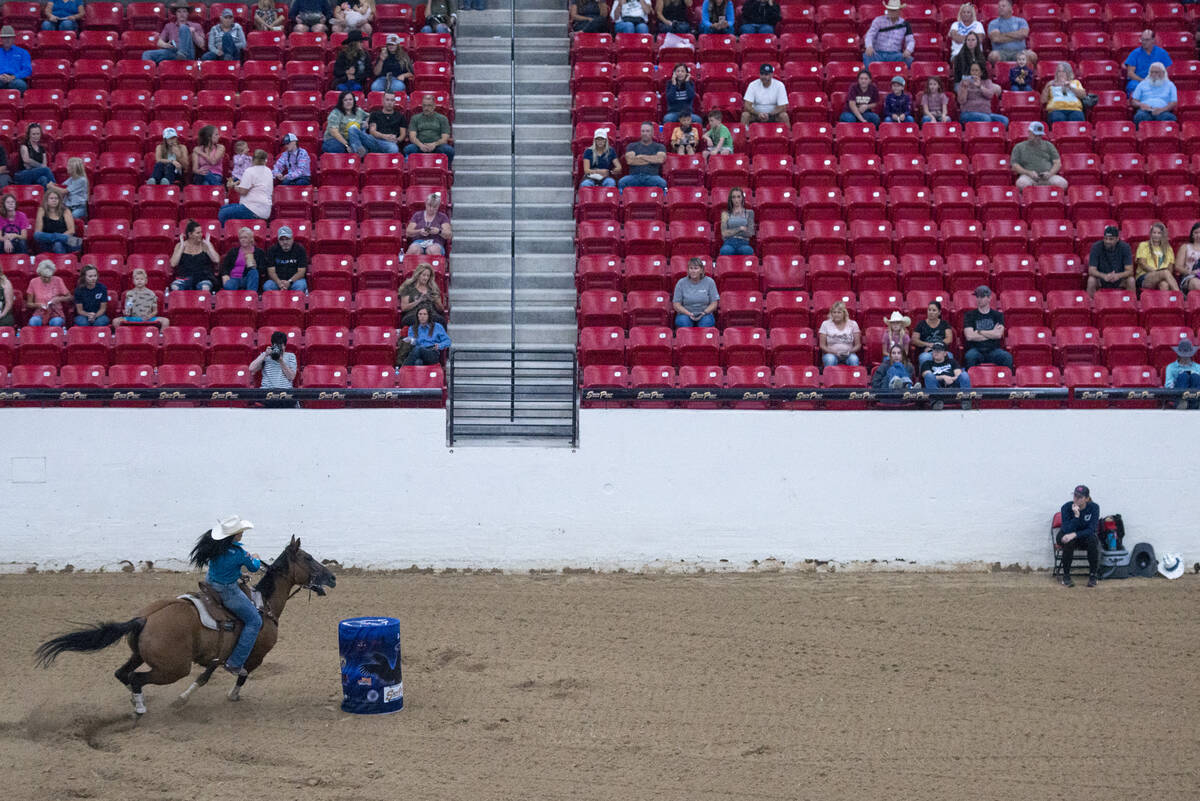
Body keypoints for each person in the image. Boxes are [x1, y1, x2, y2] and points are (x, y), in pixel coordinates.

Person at [188, 517, 263, 676]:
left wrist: (237, 573)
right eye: (240, 531)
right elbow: (254, 567)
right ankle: (235, 663)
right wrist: (256, 557)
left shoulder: (217, 547)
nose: (242, 533)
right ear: (235, 535)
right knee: (255, 621)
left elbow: (225, 567)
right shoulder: (239, 553)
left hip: (210, 584)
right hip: (227, 591)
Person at [1057, 485, 1100, 588]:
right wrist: (1076, 516)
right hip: (1065, 534)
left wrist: (1075, 534)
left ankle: (1093, 575)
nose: (1076, 499)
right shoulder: (1066, 507)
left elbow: (1091, 529)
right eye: (1075, 495)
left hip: (1082, 536)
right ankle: (1066, 576)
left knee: (1093, 540)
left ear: (1086, 498)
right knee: (1068, 541)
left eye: (1079, 497)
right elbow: (1066, 529)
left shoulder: (1094, 508)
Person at [963, 284, 1012, 368]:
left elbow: (998, 335)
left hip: (993, 350)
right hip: (976, 350)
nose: (979, 299)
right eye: (977, 296)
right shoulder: (969, 315)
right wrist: (991, 333)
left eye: (982, 297)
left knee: (1007, 357)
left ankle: (1004, 381)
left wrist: (979, 331)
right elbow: (969, 336)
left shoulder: (998, 315)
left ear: (989, 298)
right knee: (970, 356)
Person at [219, 150, 273, 223]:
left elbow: (243, 191)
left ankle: (229, 232)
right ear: (265, 160)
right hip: (264, 209)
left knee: (223, 213)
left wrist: (233, 186)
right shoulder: (268, 171)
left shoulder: (250, 171)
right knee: (223, 208)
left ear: (253, 159)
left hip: (253, 208)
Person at [1010, 121, 1065, 191]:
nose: (1038, 138)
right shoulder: (1019, 147)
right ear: (1029, 133)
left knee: (1062, 183)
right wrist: (1028, 172)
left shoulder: (1049, 145)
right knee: (1021, 183)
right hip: (1028, 176)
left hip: (1048, 176)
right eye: (1035, 135)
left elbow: (1057, 163)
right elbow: (1014, 165)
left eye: (1040, 135)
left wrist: (1050, 173)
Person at [169, 221, 219, 291]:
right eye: (198, 233)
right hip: (185, 277)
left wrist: (209, 246)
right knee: (175, 287)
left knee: (205, 287)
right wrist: (181, 249)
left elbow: (216, 260)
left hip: (203, 277)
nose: (201, 235)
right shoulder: (180, 245)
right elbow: (173, 264)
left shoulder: (205, 245)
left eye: (201, 232)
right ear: (190, 234)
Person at [1086, 225, 1134, 296]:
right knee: (1091, 280)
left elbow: (1130, 271)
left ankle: (1131, 304)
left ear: (1117, 239)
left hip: (1119, 279)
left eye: (1111, 239)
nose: (1107, 241)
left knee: (1131, 280)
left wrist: (1118, 276)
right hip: (1102, 279)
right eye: (1106, 238)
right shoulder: (1096, 247)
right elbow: (1091, 270)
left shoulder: (1125, 247)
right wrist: (1104, 276)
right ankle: (1091, 305)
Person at [863, 0, 914, 67]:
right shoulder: (878, 20)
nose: (892, 12)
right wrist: (869, 46)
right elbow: (870, 35)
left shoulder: (905, 24)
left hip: (895, 55)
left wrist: (908, 50)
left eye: (894, 10)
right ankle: (870, 76)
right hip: (878, 53)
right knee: (868, 56)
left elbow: (910, 40)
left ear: (899, 11)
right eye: (890, 10)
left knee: (908, 60)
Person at [618, 122, 667, 191]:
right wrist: (651, 159)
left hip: (652, 176)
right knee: (622, 182)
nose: (645, 133)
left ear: (652, 133)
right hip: (634, 176)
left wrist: (641, 156)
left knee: (662, 183)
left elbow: (660, 160)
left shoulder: (659, 147)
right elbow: (630, 161)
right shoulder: (632, 146)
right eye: (643, 131)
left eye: (647, 131)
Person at [404, 94, 454, 161]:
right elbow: (412, 137)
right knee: (408, 149)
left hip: (437, 146)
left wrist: (434, 144)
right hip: (420, 146)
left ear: (434, 106)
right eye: (424, 105)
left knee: (449, 150)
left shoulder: (442, 118)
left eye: (429, 105)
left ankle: (447, 169)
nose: (426, 108)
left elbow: (445, 138)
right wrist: (421, 145)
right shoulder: (415, 118)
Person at [921, 341, 971, 408]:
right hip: (937, 387)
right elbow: (926, 375)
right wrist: (943, 377)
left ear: (945, 353)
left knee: (964, 374)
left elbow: (958, 375)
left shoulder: (952, 362)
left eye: (938, 351)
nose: (935, 352)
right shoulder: (927, 363)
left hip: (952, 386)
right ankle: (936, 402)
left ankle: (966, 401)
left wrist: (950, 379)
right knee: (929, 376)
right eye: (934, 350)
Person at [672, 257, 719, 328]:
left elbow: (714, 303)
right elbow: (676, 305)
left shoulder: (710, 282)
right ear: (688, 270)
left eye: (696, 268)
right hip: (685, 313)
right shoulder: (681, 282)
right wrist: (689, 314)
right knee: (683, 322)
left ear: (701, 270)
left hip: (705, 313)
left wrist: (704, 313)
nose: (693, 271)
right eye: (691, 268)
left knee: (706, 323)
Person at [1124, 29, 1172, 95]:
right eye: (1142, 40)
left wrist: (1156, 81)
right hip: (1139, 81)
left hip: (1157, 81)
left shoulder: (1162, 53)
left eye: (1147, 40)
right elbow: (1130, 73)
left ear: (1153, 40)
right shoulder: (1135, 53)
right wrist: (1143, 81)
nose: (1144, 42)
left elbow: (1167, 71)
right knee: (1133, 86)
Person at [1135, 221, 1180, 291]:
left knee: (1164, 285)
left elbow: (1170, 268)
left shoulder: (1168, 249)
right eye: (1154, 233)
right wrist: (1158, 273)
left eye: (1159, 233)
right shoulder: (1143, 245)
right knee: (1165, 272)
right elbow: (1142, 263)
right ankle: (1179, 295)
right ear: (1151, 234)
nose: (1156, 235)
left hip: (1163, 276)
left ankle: (1164, 302)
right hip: (1144, 276)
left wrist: (1161, 275)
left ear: (1163, 235)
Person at [25, 259, 70, 327]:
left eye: (49, 277)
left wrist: (59, 299)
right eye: (44, 277)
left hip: (56, 313)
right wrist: (38, 305)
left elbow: (70, 297)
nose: (47, 279)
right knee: (33, 322)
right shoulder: (33, 282)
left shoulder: (58, 280)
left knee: (56, 322)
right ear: (39, 274)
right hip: (40, 313)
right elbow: (29, 304)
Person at [323, 90, 371, 155]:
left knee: (367, 148)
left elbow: (370, 116)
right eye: (345, 100)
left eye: (350, 99)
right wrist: (346, 145)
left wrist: (367, 121)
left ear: (354, 101)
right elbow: (334, 132)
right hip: (335, 140)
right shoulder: (335, 113)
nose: (348, 102)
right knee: (338, 148)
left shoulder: (358, 111)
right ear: (341, 102)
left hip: (353, 139)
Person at [33, 188, 79, 254]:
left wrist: (57, 239)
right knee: (37, 235)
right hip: (49, 243)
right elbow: (38, 232)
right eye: (51, 198)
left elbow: (71, 231)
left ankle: (60, 262)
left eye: (56, 198)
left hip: (68, 242)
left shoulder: (65, 210)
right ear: (46, 200)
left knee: (58, 244)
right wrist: (58, 238)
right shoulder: (42, 210)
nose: (54, 200)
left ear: (59, 200)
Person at [399, 262, 446, 327]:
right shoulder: (408, 287)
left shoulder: (433, 288)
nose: (426, 278)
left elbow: (441, 309)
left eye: (428, 276)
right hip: (413, 314)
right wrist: (418, 301)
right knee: (415, 320)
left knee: (441, 321)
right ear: (418, 275)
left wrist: (434, 300)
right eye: (424, 275)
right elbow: (404, 308)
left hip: (431, 314)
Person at [405, 191, 451, 256]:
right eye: (429, 205)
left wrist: (438, 231)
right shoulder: (417, 215)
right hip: (419, 242)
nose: (431, 209)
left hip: (436, 243)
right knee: (414, 249)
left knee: (433, 249)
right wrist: (419, 231)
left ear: (438, 206)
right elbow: (408, 232)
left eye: (434, 207)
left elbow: (448, 234)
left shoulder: (442, 217)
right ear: (425, 203)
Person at [263, 226, 309, 291]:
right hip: (277, 281)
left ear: (292, 239)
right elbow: (271, 272)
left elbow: (301, 272)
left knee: (300, 285)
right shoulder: (272, 250)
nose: (285, 242)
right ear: (278, 240)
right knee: (267, 286)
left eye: (287, 239)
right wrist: (279, 283)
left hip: (294, 281)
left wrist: (289, 282)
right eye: (282, 239)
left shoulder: (300, 249)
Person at [220, 227, 265, 292]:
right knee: (228, 285)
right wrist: (225, 275)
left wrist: (256, 267)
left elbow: (263, 270)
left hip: (248, 278)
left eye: (245, 237)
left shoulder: (259, 252)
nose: (243, 240)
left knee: (254, 272)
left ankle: (251, 295)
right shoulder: (233, 251)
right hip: (234, 278)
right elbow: (224, 266)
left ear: (251, 239)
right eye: (241, 238)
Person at [818, 301, 862, 368]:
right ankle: (830, 378)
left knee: (854, 359)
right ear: (831, 314)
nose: (836, 314)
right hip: (830, 353)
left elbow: (858, 345)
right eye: (834, 312)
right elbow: (822, 345)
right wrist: (834, 352)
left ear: (844, 313)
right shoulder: (825, 324)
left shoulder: (853, 324)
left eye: (839, 312)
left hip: (849, 354)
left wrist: (849, 351)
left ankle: (853, 378)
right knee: (830, 359)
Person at [986, 0, 1029, 64]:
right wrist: (1016, 36)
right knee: (993, 56)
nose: (1000, 8)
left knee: (1032, 56)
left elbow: (1023, 34)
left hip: (1019, 52)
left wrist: (1002, 35)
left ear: (1011, 8)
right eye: (999, 6)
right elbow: (996, 38)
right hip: (1000, 52)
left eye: (1003, 6)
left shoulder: (1021, 21)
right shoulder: (993, 23)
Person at [912, 300, 953, 367]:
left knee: (950, 356)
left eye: (934, 310)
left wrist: (935, 346)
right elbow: (914, 340)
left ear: (939, 312)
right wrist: (927, 344)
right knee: (925, 358)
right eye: (929, 310)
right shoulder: (921, 324)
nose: (931, 312)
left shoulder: (944, 324)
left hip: (941, 350)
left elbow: (949, 339)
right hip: (926, 351)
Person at [15, 123, 55, 187]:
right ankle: (56, 190)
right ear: (29, 135)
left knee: (43, 179)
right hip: (24, 173)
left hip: (36, 174)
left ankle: (45, 196)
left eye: (38, 134)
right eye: (33, 134)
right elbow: (26, 160)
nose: (36, 136)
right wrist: (39, 166)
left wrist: (34, 164)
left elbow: (44, 165)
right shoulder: (24, 145)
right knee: (46, 170)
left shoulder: (42, 148)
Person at [718, 187, 755, 256]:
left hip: (743, 242)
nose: (736, 200)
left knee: (748, 250)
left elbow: (750, 233)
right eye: (733, 197)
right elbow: (724, 233)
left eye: (738, 197)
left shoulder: (749, 213)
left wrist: (731, 232)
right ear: (731, 199)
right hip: (729, 242)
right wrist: (740, 229)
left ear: (742, 198)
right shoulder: (725, 214)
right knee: (725, 251)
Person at [1165, 339, 1200, 409]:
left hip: (1195, 392)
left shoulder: (1198, 367)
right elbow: (1169, 384)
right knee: (1183, 376)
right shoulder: (1171, 367)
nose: (1185, 357)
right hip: (1177, 394)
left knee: (1195, 377)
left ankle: (1196, 402)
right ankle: (1182, 401)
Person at [0, 26, 31, 94]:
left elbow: (27, 70)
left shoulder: (23, 52)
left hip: (16, 79)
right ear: (1, 39)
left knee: (21, 85)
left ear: (14, 39)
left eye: (9, 37)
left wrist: (13, 77)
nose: (7, 40)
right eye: (5, 38)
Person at [1173, 222, 1200, 294]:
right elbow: (1177, 266)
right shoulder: (1185, 247)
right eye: (1196, 233)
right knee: (1196, 283)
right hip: (1189, 277)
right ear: (1192, 235)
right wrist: (1190, 272)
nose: (1198, 235)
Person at [0, 261, 14, 326]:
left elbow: (9, 303)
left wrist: (2, 315)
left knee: (5, 322)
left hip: (3, 312)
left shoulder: (5, 282)